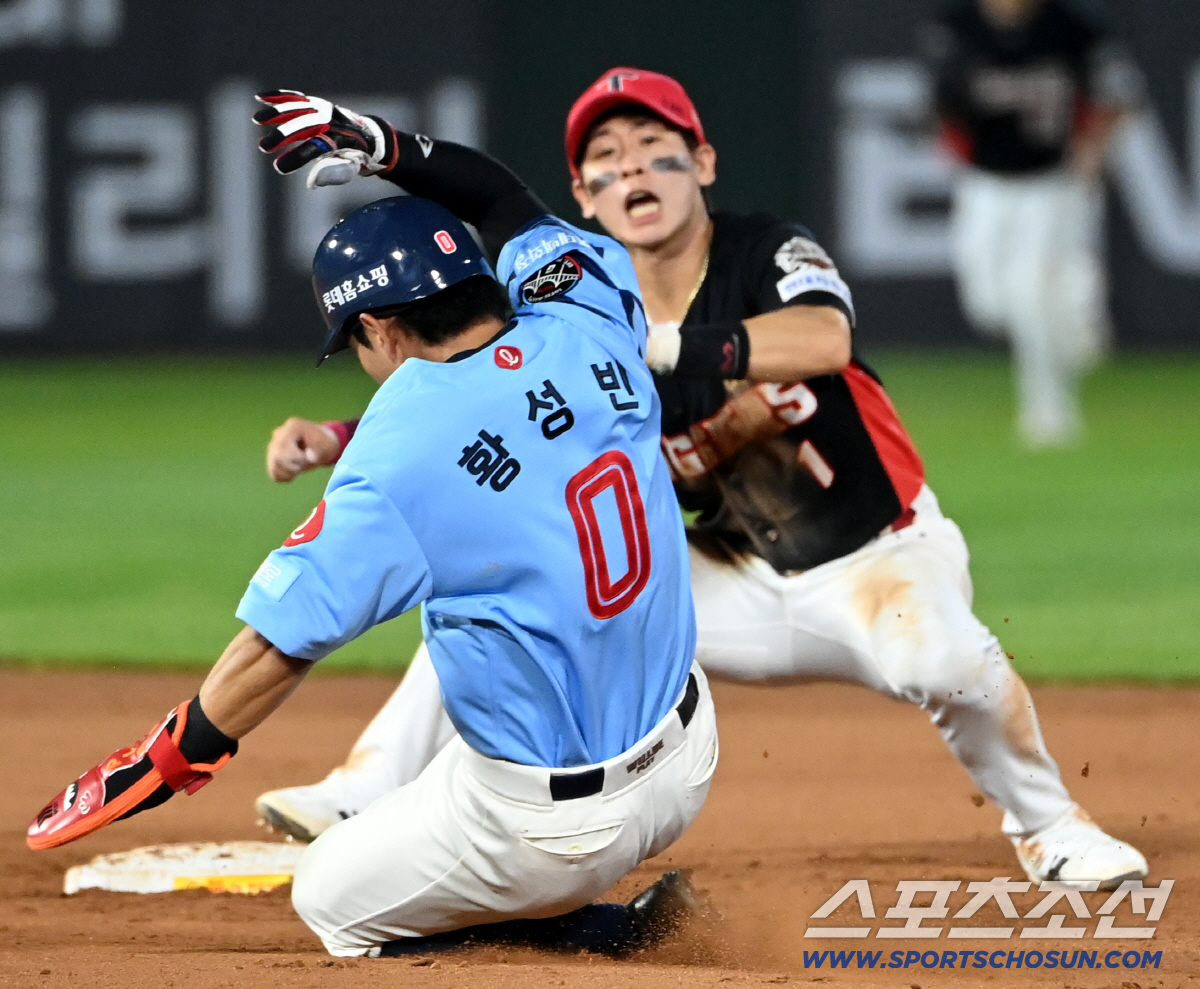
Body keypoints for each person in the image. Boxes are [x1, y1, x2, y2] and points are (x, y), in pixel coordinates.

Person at [258, 70, 1147, 889]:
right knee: (504, 589)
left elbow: (824, 343)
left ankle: (1050, 825)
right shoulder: (569, 305)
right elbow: (486, 403)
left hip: (875, 560)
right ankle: (364, 785)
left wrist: (662, 345)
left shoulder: (765, 250)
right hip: (720, 580)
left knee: (949, 659)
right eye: (604, 160)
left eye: (655, 149)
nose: (631, 169)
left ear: (703, 164)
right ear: (582, 200)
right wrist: (338, 436)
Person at [26, 90, 722, 959]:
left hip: (560, 830)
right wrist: (381, 143)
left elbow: (277, 646)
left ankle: (602, 934)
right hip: (688, 752)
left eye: (352, 339)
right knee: (469, 692)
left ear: (384, 328)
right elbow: (505, 201)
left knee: (333, 896)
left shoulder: (399, 449)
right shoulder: (588, 310)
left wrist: (168, 759)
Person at [922, 0, 1143, 447]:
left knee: (1029, 294)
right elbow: (941, 103)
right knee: (987, 303)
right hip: (984, 182)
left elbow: (1119, 95)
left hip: (1053, 182)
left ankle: (1049, 411)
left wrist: (1091, 151)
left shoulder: (1074, 26)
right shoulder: (956, 26)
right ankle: (1077, 304)